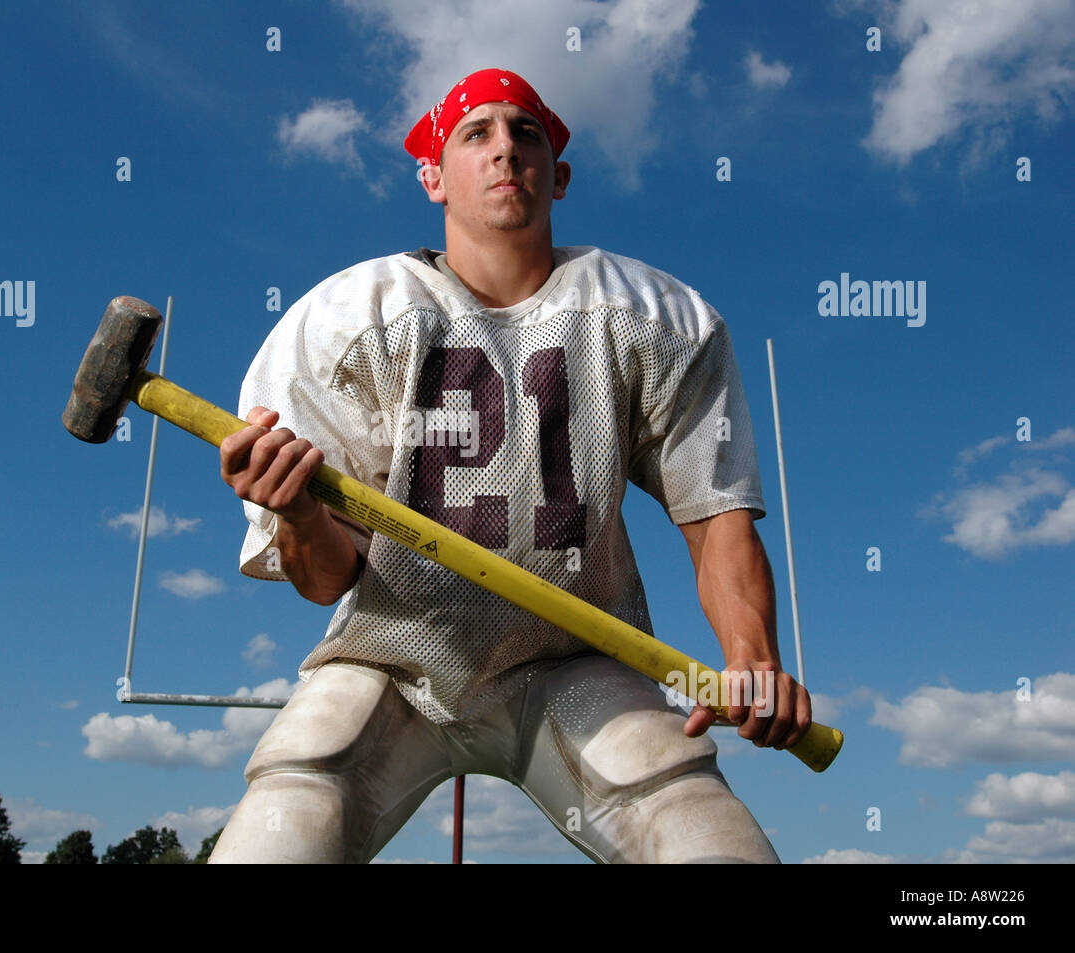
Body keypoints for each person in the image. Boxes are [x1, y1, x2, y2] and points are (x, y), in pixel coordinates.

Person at [209, 68, 811, 864]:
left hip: (575, 658)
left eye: (525, 133)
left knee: (708, 842)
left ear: (557, 175)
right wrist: (297, 514)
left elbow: (714, 518)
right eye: (476, 133)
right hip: (393, 659)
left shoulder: (654, 318)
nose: (504, 152)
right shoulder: (348, 320)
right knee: (285, 822)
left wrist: (752, 657)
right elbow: (325, 580)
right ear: (433, 175)